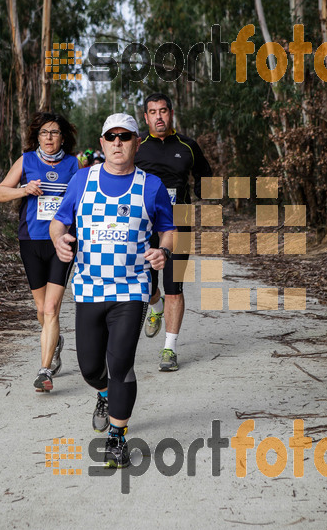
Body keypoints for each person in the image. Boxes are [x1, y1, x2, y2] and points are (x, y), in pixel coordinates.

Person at [50, 114, 175, 468]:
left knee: (120, 363)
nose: (118, 143)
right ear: (102, 143)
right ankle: (104, 394)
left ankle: (117, 437)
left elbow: (167, 228)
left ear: (137, 142)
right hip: (89, 289)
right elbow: (59, 222)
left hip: (131, 290)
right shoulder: (81, 180)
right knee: (90, 368)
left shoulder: (151, 186)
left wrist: (163, 251)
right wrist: (59, 241)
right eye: (111, 137)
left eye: (126, 136)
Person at [0, 112, 78, 392]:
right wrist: (24, 190)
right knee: (41, 310)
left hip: (62, 242)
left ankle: (44, 371)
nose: (49, 137)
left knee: (52, 307)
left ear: (63, 137)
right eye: (44, 133)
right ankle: (55, 341)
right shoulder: (27, 161)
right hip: (30, 240)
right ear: (37, 136)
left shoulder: (74, 165)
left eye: (54, 132)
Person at [134, 93, 212, 372]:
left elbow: (205, 175)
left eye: (163, 111)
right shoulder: (137, 144)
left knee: (174, 288)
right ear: (145, 117)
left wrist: (205, 195)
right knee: (145, 286)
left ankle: (170, 348)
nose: (158, 117)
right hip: (143, 226)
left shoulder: (188, 146)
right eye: (152, 112)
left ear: (171, 113)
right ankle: (156, 307)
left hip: (179, 222)